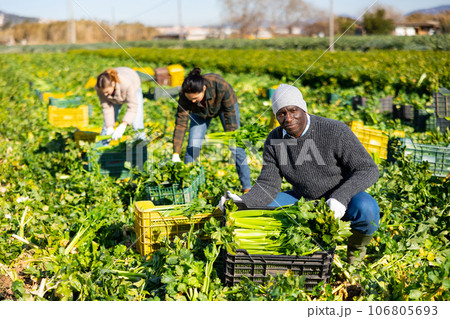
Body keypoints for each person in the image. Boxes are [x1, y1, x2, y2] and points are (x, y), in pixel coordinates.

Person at [222, 84, 380, 264]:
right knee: (263, 210)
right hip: (303, 199)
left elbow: (368, 169)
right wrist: (241, 202)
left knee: (367, 210)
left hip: (344, 196)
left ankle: (356, 255)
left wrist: (340, 197)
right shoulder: (274, 140)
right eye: (281, 113)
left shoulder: (335, 131)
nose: (288, 118)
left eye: (293, 110)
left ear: (303, 109)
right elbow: (268, 185)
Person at [172, 68, 252, 192]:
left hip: (224, 108)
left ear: (203, 89)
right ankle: (187, 187)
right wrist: (175, 153)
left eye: (195, 98)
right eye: (190, 99)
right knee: (193, 146)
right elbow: (181, 123)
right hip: (200, 114)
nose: (192, 101)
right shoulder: (185, 96)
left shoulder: (220, 85)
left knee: (236, 145)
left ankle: (247, 187)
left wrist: (231, 137)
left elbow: (230, 116)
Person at [95, 67, 145, 140]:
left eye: (107, 92)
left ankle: (141, 145)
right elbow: (107, 108)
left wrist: (123, 125)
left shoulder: (127, 84)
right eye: (103, 92)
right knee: (107, 126)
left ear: (113, 84)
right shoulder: (100, 88)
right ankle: (104, 146)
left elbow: (133, 107)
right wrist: (109, 127)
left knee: (137, 124)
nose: (105, 94)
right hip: (114, 95)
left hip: (133, 84)